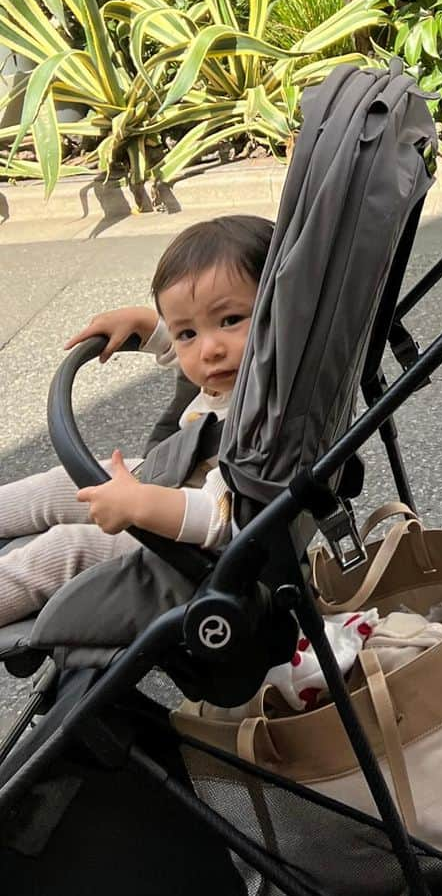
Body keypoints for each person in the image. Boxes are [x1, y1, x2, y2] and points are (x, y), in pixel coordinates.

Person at [0, 215, 273, 627]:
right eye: (187, 333)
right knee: (64, 483)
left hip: (189, 550)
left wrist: (138, 504)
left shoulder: (260, 417)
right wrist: (151, 327)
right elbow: (190, 346)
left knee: (65, 549)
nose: (210, 349)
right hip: (175, 482)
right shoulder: (247, 370)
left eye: (231, 320)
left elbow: (222, 517)